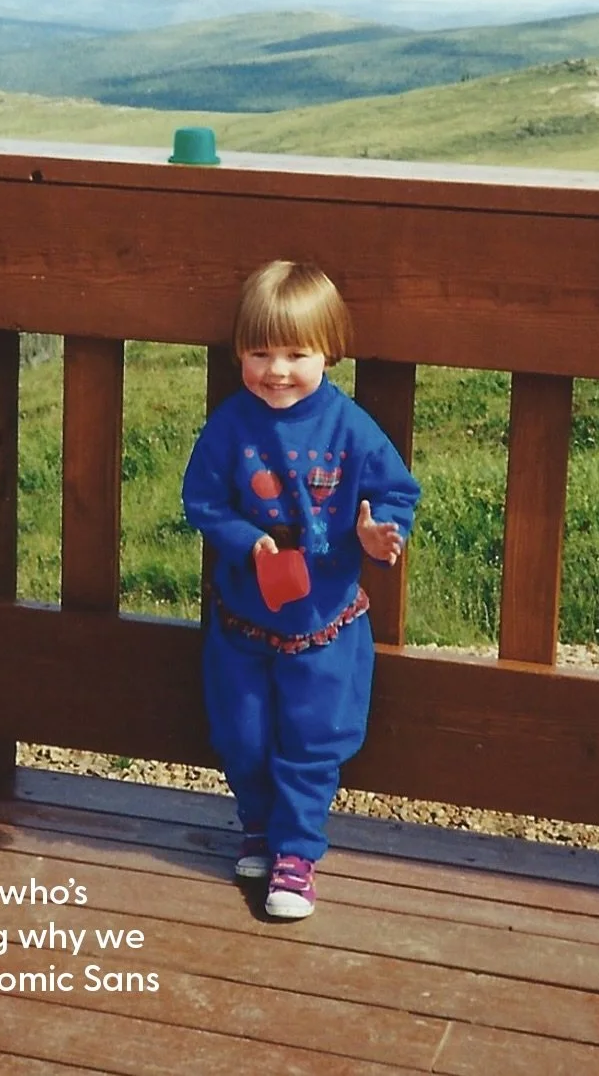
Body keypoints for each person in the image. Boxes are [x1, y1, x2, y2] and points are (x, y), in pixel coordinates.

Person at [182, 260, 421, 919]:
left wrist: (378, 532)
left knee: (314, 740)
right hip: (244, 625)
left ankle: (296, 853)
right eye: (260, 353)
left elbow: (397, 491)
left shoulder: (350, 429)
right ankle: (258, 827)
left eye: (296, 354)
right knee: (242, 734)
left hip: (324, 626)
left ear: (329, 352)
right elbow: (202, 500)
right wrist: (244, 539)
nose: (277, 371)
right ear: (239, 351)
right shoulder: (231, 426)